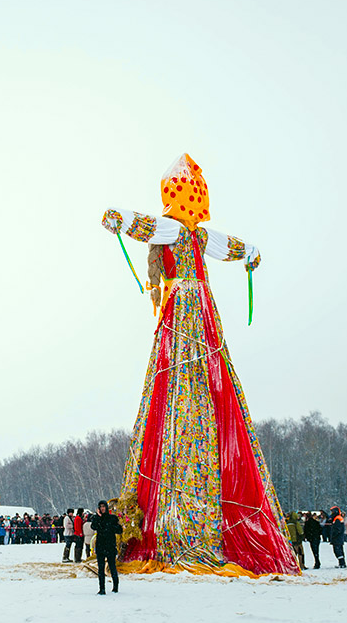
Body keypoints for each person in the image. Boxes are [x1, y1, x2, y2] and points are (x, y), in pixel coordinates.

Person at [103, 154, 298, 576]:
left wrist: (249, 253)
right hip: (192, 307)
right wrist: (120, 218)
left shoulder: (196, 234)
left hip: (193, 309)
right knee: (194, 372)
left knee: (197, 372)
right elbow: (147, 226)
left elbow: (226, 245)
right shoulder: (176, 229)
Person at [91, 500, 122, 595]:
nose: (102, 508)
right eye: (100, 507)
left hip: (110, 546)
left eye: (104, 506)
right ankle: (102, 589)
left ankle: (115, 587)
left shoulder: (112, 518)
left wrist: (110, 527)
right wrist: (98, 517)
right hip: (100, 546)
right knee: (101, 569)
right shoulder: (97, 518)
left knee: (112, 567)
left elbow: (119, 530)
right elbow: (93, 526)